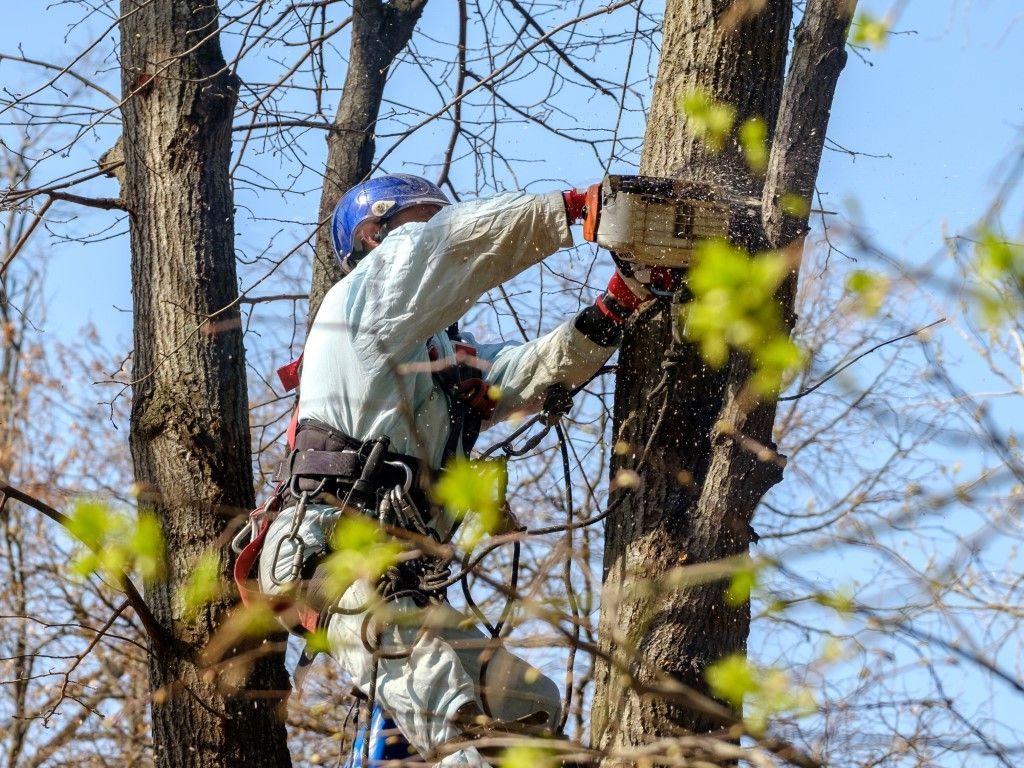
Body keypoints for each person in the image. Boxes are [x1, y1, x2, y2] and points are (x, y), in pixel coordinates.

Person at [257, 174, 659, 767]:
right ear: (374, 236)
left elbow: (528, 373)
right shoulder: (360, 307)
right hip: (333, 555)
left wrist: (620, 302)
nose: (439, 229)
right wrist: (573, 210)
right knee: (451, 715)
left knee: (529, 704)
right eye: (422, 221)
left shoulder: (438, 358)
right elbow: (449, 245)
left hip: (402, 577)